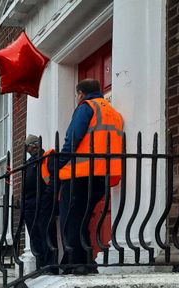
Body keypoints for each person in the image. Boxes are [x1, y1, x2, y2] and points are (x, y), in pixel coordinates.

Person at [46, 78, 124, 274]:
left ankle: (78, 263)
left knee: (70, 220)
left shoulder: (86, 108)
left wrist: (58, 163)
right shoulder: (113, 113)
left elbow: (72, 138)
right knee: (82, 219)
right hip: (102, 176)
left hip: (79, 175)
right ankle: (80, 261)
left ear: (81, 93)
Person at [23, 135, 57, 273]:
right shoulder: (27, 163)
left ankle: (50, 267)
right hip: (29, 204)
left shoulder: (48, 157)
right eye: (30, 145)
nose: (33, 147)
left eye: (35, 143)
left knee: (46, 233)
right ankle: (41, 266)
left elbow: (54, 179)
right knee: (34, 235)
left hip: (43, 201)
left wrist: (47, 197)